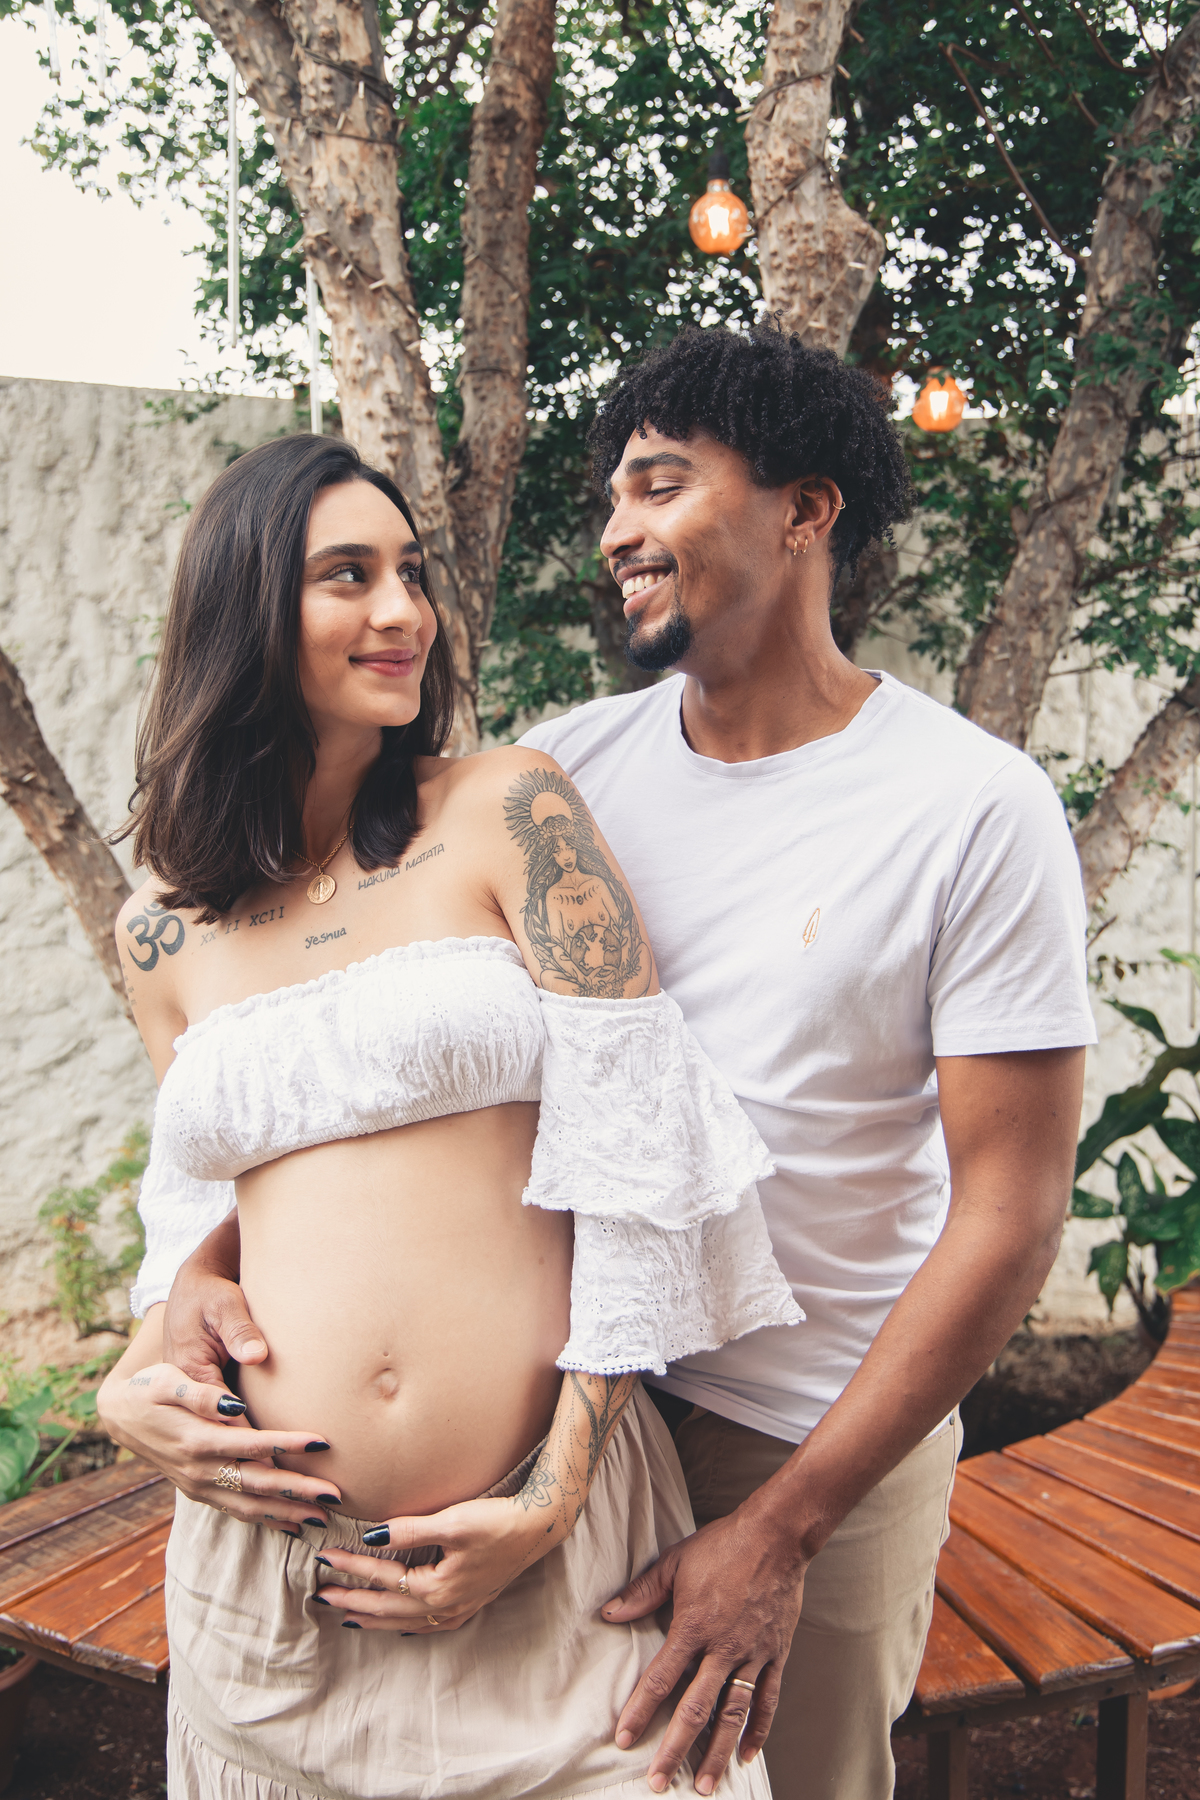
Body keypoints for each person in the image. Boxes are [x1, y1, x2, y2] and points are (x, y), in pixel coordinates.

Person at [137, 323, 1095, 1800]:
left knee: (804, 1776)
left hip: (812, 1423)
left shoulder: (972, 806)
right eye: (612, 498)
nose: (615, 533)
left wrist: (785, 1525)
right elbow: (363, 1098)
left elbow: (1011, 1216)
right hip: (583, 1409)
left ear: (806, 509)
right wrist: (183, 1300)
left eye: (659, 486)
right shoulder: (569, 766)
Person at [96, 430, 802, 1800]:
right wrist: (134, 1385)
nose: (403, 611)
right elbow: (205, 1230)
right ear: (245, 612)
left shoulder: (505, 809)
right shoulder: (159, 931)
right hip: (278, 1599)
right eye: (348, 576)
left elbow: (639, 1165)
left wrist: (554, 1495)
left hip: (556, 1566)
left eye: (411, 572)